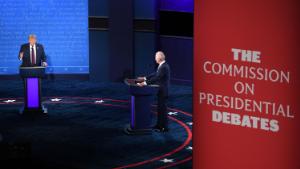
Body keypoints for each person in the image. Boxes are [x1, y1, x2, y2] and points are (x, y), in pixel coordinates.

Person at [137, 51, 171, 132]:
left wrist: (145, 83)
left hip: (163, 91)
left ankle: (164, 127)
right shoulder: (162, 65)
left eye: (155, 57)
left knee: (162, 110)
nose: (155, 58)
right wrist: (145, 78)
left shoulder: (164, 67)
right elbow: (155, 74)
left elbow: (157, 78)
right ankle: (159, 125)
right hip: (160, 91)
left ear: (159, 58)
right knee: (160, 109)